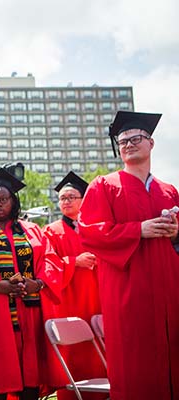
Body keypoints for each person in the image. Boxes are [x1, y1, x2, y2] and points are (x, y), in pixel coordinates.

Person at [78, 111, 179, 399]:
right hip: (129, 295)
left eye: (136, 138)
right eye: (122, 141)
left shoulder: (169, 190)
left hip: (170, 294)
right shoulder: (104, 186)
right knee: (135, 368)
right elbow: (90, 232)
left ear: (151, 143)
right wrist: (138, 230)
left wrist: (174, 234)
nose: (128, 144)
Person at [0, 168, 62, 400]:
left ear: (13, 201)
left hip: (30, 314)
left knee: (30, 378)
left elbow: (49, 259)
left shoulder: (33, 230)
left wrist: (39, 282)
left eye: (3, 199)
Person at [42, 171, 106, 399]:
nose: (66, 201)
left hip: (97, 299)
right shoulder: (51, 231)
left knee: (96, 350)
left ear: (83, 199)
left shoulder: (97, 226)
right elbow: (46, 266)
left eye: (71, 197)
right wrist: (73, 262)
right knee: (71, 352)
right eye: (62, 198)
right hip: (67, 301)